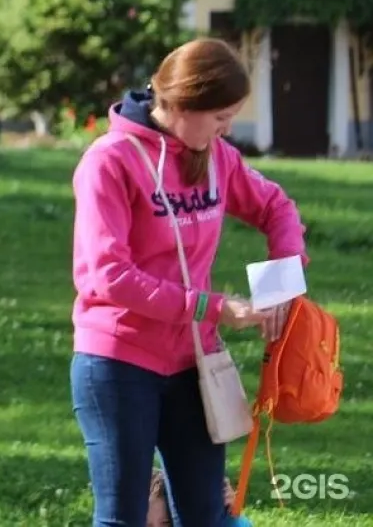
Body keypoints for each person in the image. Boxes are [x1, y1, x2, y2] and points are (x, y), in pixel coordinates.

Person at [70, 37, 308, 527]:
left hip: (194, 365)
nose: (227, 129)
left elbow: (276, 206)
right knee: (123, 517)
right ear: (184, 103)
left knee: (206, 515)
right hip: (117, 361)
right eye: (220, 117)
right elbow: (108, 276)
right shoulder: (109, 161)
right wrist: (213, 308)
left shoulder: (217, 157)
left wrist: (280, 287)